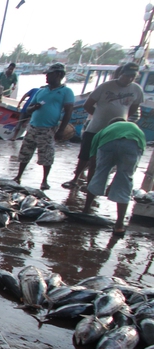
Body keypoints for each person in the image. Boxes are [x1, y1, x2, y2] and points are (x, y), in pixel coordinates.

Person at [63, 62, 143, 190]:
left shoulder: (136, 90)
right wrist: (99, 116)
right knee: (85, 156)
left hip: (116, 132)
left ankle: (93, 185)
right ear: (121, 73)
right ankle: (75, 179)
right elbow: (87, 105)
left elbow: (133, 108)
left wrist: (122, 121)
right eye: (127, 75)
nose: (129, 78)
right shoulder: (106, 86)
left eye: (132, 76)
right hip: (95, 128)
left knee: (103, 159)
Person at [14, 62, 74, 190]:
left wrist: (61, 130)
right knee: (25, 152)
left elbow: (68, 112)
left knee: (46, 155)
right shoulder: (41, 91)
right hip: (33, 126)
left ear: (58, 75)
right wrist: (34, 107)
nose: (47, 76)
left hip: (48, 128)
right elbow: (28, 109)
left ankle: (44, 181)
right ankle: (18, 176)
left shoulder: (66, 91)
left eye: (50, 74)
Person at [82, 119, 145, 237]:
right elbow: (132, 168)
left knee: (100, 174)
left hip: (107, 143)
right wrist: (112, 184)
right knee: (125, 179)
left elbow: (93, 162)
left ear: (110, 125)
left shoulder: (103, 131)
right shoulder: (137, 130)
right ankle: (119, 225)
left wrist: (90, 183)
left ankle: (85, 210)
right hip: (133, 142)